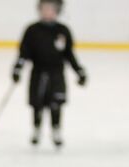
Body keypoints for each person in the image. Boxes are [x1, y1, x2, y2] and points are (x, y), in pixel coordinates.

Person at [12, 0, 86, 148]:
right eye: (44, 9)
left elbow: (69, 54)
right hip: (38, 73)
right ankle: (36, 129)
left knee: (56, 104)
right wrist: (17, 68)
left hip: (57, 74)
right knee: (37, 104)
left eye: (51, 9)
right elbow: (24, 52)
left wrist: (79, 71)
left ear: (57, 11)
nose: (47, 12)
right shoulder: (32, 30)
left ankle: (56, 130)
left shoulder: (63, 30)